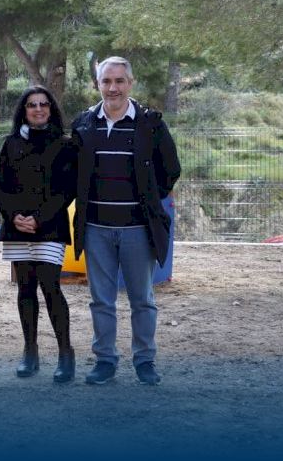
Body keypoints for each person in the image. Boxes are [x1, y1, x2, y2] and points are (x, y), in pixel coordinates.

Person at [72, 56, 181, 386]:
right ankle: (105, 361)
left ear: (130, 83)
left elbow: (170, 170)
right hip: (96, 230)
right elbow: (71, 171)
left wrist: (147, 198)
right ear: (98, 84)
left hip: (138, 230)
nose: (113, 88)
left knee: (142, 300)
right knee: (101, 301)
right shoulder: (83, 124)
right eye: (106, 81)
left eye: (119, 81)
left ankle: (145, 361)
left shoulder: (150, 125)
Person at [0, 86, 77, 383]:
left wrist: (39, 219)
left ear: (51, 109)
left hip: (50, 228)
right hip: (16, 228)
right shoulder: (11, 143)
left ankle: (66, 354)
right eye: (32, 105)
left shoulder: (65, 144)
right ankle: (30, 352)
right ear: (24, 111)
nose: (38, 109)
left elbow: (67, 190)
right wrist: (14, 216)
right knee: (25, 288)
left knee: (51, 287)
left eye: (43, 104)